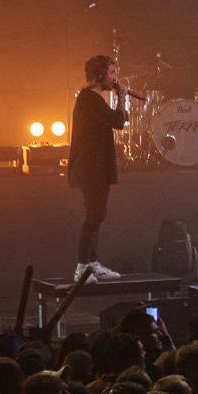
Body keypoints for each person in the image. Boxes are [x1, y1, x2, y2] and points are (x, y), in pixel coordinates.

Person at [67, 53, 131, 280]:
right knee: (94, 213)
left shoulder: (94, 101)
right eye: (112, 73)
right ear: (100, 76)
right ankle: (82, 266)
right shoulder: (88, 99)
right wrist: (122, 97)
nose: (114, 78)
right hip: (90, 166)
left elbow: (116, 120)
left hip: (97, 165)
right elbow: (118, 121)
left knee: (98, 213)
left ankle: (91, 262)